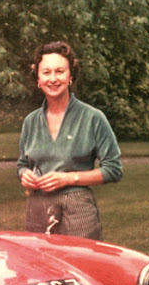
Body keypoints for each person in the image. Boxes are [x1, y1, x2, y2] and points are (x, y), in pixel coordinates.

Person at [17, 41, 123, 240]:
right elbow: (22, 164)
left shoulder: (92, 117)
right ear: (38, 78)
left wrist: (69, 178)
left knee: (79, 260)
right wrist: (24, 174)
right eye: (46, 72)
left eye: (60, 71)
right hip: (37, 209)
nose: (53, 78)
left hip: (78, 209)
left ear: (70, 76)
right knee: (39, 260)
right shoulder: (31, 121)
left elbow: (114, 169)